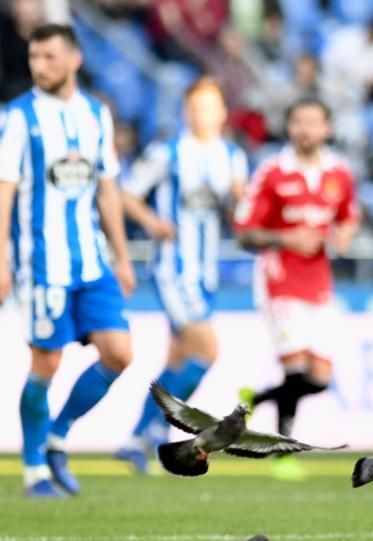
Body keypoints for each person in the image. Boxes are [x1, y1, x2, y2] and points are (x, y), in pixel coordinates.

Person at [0, 24, 136, 498]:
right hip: (42, 264)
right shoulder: (19, 117)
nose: (39, 66)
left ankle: (57, 435)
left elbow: (107, 189)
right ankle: (33, 471)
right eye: (35, 58)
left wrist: (123, 256)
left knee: (119, 353)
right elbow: (1, 192)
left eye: (50, 57)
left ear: (75, 59)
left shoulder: (95, 114)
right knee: (46, 363)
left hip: (92, 262)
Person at [113, 76, 247, 473]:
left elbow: (238, 203)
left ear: (222, 112)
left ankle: (136, 439)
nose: (202, 114)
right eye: (195, 107)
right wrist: (152, 222)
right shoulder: (168, 152)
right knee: (208, 350)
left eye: (209, 106)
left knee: (179, 358)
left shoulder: (231, 157)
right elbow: (125, 191)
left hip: (206, 269)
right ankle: (151, 430)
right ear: (186, 112)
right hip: (174, 266)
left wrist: (242, 208)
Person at [233, 97, 359, 481]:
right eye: (298, 122)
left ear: (327, 128)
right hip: (279, 279)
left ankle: (253, 402)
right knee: (295, 369)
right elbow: (243, 233)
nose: (306, 130)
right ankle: (283, 451)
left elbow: (348, 216)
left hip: (319, 281)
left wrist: (344, 236)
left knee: (318, 379)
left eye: (313, 122)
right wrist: (285, 239)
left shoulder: (338, 172)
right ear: (289, 128)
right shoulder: (272, 172)